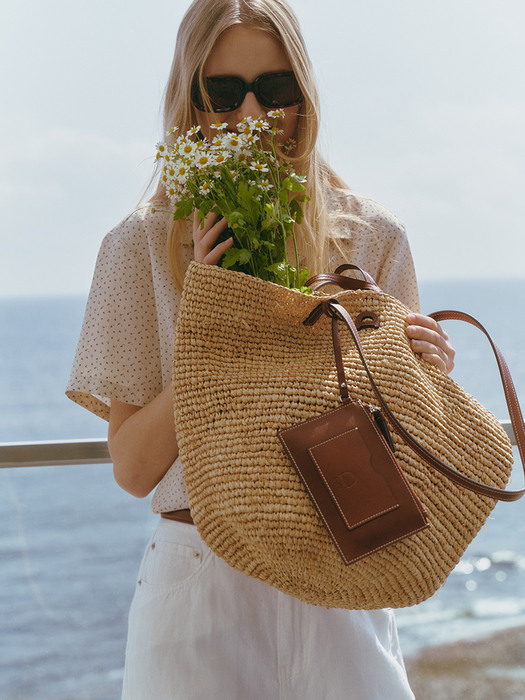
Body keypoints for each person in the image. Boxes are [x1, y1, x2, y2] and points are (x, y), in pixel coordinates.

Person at [67, 0, 455, 697]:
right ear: (189, 100)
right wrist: (212, 329)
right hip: (199, 580)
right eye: (224, 92)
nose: (251, 115)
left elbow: (403, 450)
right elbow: (132, 467)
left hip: (342, 564)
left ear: (303, 97)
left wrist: (427, 373)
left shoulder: (370, 238)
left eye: (274, 90)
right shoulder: (138, 247)